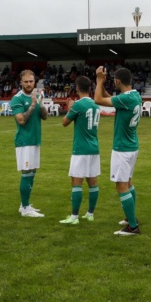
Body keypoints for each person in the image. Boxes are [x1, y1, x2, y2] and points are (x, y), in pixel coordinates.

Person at [93, 66, 142, 236]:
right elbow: (110, 98)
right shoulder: (134, 95)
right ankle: (131, 218)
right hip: (132, 145)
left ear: (118, 81)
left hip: (122, 148)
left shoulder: (125, 99)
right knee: (128, 182)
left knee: (121, 185)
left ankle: (133, 227)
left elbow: (98, 99)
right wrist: (104, 85)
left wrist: (99, 80)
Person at [59, 75, 101, 225]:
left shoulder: (78, 105)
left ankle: (74, 217)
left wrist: (70, 107)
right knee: (92, 182)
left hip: (80, 148)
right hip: (94, 147)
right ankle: (90, 214)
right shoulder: (96, 104)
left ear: (77, 88)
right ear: (90, 88)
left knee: (76, 181)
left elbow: (65, 122)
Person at [11, 70, 49, 217]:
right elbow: (21, 120)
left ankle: (24, 204)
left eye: (31, 81)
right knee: (26, 173)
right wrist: (33, 105)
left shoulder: (37, 95)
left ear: (34, 82)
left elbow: (45, 117)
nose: (28, 84)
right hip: (24, 141)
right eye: (25, 81)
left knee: (32, 172)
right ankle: (25, 209)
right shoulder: (17, 98)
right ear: (21, 82)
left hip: (35, 139)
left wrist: (40, 103)